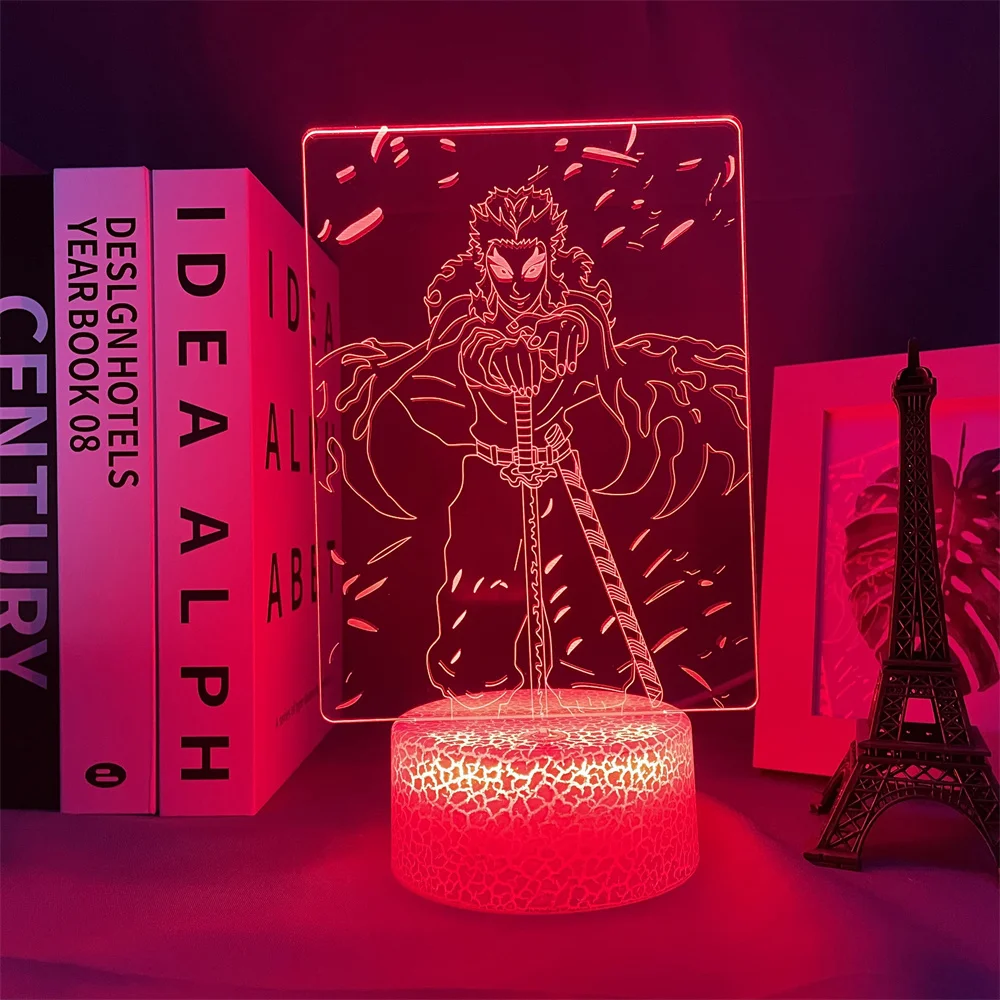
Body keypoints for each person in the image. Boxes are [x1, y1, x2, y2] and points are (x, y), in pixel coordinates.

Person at [322, 185, 748, 712]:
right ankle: (478, 726)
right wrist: (476, 363)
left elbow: (614, 397)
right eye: (504, 270)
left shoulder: (578, 322)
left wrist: (578, 351)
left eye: (532, 268)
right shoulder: (463, 325)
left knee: (588, 633)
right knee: (478, 646)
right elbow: (418, 388)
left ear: (550, 258)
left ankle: (596, 728)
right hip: (486, 493)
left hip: (563, 486)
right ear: (485, 264)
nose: (519, 286)